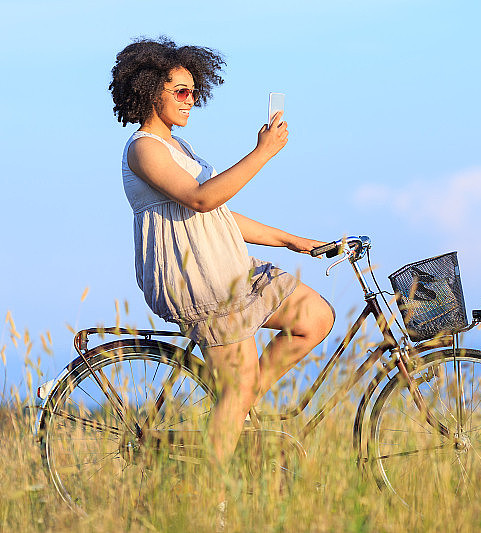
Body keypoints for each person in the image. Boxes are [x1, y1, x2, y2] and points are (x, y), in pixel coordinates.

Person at [109, 37, 334, 480]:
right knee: (238, 386)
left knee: (315, 318)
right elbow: (200, 199)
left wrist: (292, 241)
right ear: (151, 91)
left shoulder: (179, 147)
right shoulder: (143, 149)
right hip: (198, 278)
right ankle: (211, 496)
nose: (190, 100)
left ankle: (234, 410)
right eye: (180, 91)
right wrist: (262, 152)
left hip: (229, 266)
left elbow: (218, 216)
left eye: (194, 92)